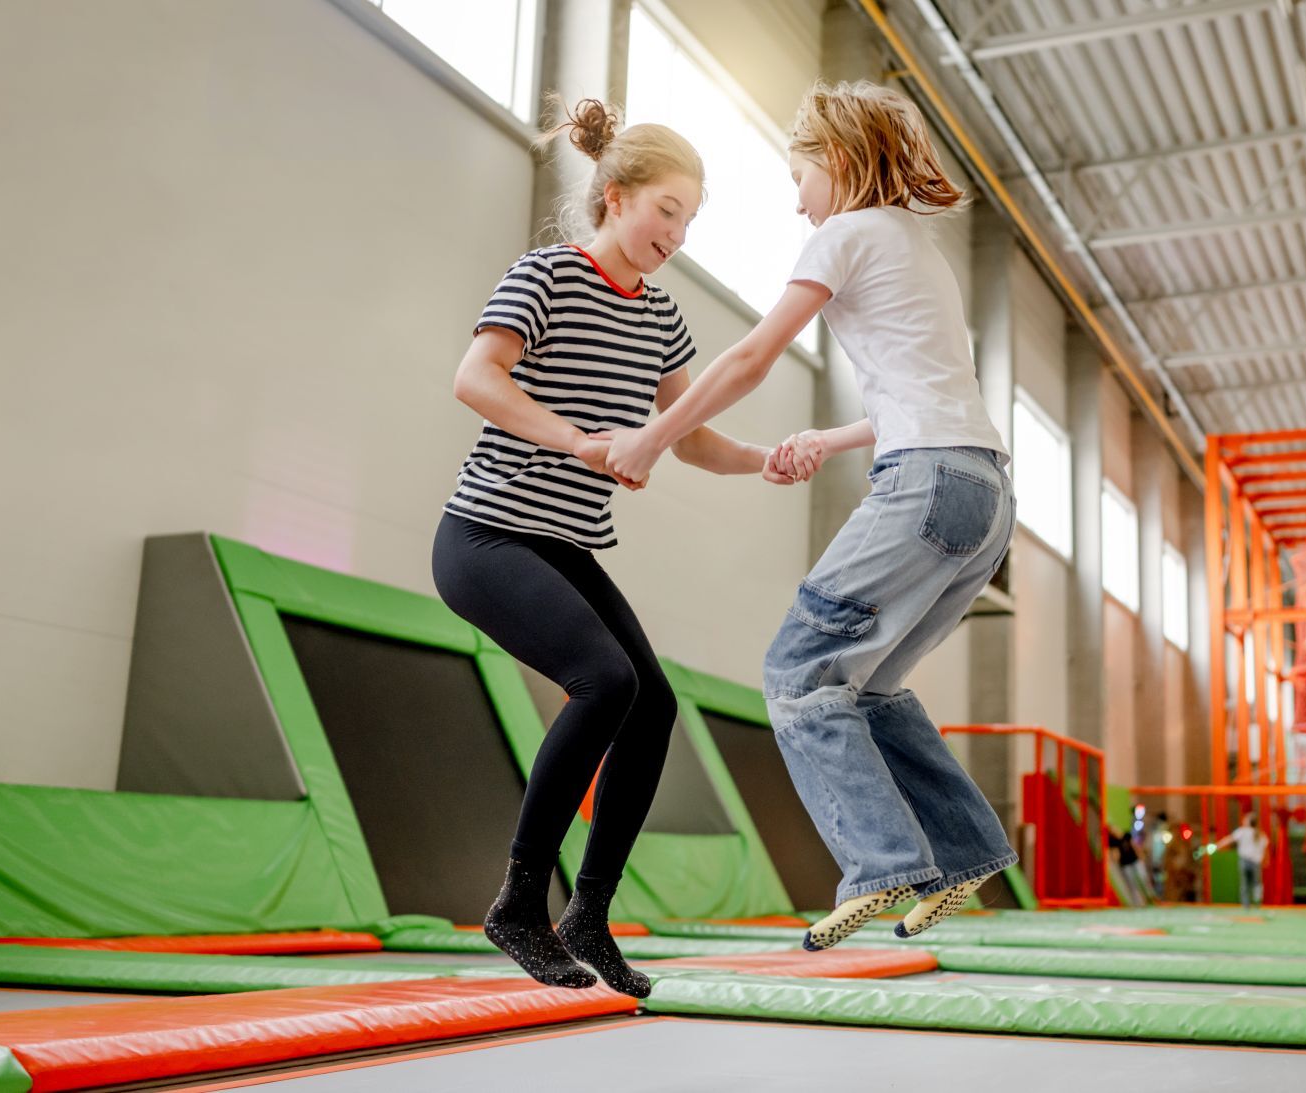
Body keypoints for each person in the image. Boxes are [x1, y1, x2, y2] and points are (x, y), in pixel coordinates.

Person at [602, 80, 1018, 951]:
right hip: (983, 495)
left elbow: (754, 354)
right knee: (869, 685)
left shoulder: (845, 233)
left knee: (797, 670)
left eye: (800, 178)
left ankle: (881, 865)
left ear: (836, 159)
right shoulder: (917, 248)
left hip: (923, 484)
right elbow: (926, 396)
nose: (797, 201)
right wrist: (825, 441)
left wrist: (652, 436)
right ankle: (968, 849)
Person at [432, 99, 797, 997]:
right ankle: (520, 901)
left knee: (654, 703)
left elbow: (690, 436)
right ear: (616, 195)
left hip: (565, 545)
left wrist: (764, 460)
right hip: (485, 534)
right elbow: (474, 378)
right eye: (666, 209)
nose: (675, 233)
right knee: (608, 680)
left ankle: (587, 913)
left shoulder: (663, 318)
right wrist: (580, 441)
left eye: (690, 219)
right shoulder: (546, 273)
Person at [1215, 811, 1269, 909]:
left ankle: (1246, 905)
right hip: (1256, 862)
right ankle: (1257, 904)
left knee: (1245, 883)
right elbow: (1265, 849)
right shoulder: (1261, 834)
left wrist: (1217, 846)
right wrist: (1265, 860)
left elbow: (1229, 839)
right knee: (1256, 883)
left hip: (1244, 861)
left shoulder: (1242, 831)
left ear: (1248, 821)